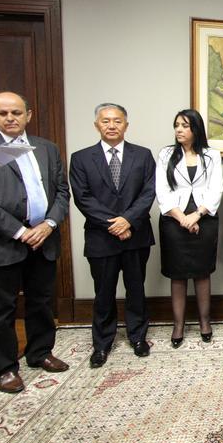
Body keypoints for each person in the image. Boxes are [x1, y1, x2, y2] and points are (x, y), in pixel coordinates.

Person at [0, 91, 71, 394]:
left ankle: (41, 352)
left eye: (16, 112)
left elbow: (62, 192)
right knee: (1, 309)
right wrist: (20, 231)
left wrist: (48, 224)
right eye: (3, 113)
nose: (10, 118)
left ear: (28, 115)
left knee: (41, 302)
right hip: (1, 241)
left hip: (43, 239)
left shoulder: (46, 148)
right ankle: (5, 368)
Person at [69, 103, 155, 368]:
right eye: (105, 121)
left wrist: (128, 220)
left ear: (126, 125)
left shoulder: (143, 155)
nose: (111, 125)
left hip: (136, 235)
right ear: (96, 125)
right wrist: (114, 224)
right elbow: (83, 197)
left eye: (117, 121)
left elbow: (149, 192)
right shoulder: (81, 158)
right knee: (103, 292)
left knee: (136, 288)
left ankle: (138, 337)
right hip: (101, 237)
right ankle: (102, 343)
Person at [156, 109, 223, 347]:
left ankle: (205, 322)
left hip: (204, 218)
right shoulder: (166, 154)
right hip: (173, 219)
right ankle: (178, 325)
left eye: (185, 126)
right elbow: (162, 190)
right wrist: (182, 218)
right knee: (178, 273)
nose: (179, 130)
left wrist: (196, 215)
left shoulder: (212, 155)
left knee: (202, 272)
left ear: (196, 129)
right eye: (177, 125)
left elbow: (216, 189)